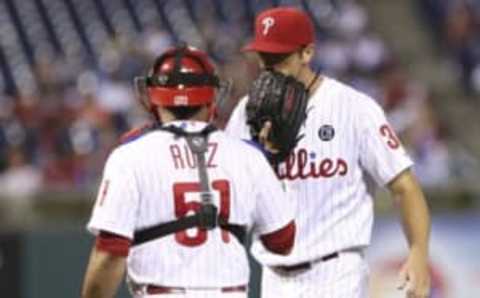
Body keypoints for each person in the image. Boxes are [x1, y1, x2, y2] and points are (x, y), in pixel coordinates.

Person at [226, 7, 431, 298]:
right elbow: (231, 196)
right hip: (273, 277)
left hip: (335, 273)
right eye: (264, 58)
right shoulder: (246, 113)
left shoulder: (354, 108)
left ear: (307, 53)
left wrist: (418, 254)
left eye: (279, 58)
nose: (269, 67)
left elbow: (404, 187)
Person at [81, 45, 296, 298]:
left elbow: (109, 254)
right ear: (212, 97)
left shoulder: (129, 155)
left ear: (152, 97)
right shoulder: (248, 156)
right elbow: (282, 242)